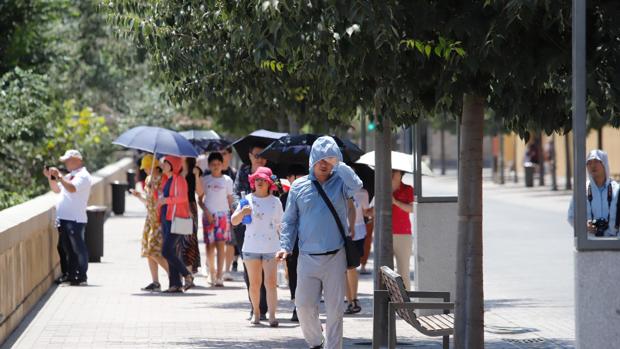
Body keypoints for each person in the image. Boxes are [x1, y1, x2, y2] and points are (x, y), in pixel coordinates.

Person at [277, 136, 363, 349]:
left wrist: (339, 164)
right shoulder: (298, 187)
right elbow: (289, 221)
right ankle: (316, 343)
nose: (325, 163)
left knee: (335, 311)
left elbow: (357, 184)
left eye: (330, 158)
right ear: (312, 160)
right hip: (307, 258)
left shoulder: (342, 183)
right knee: (304, 306)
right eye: (321, 158)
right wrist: (285, 246)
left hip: (336, 256)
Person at [232, 166, 283, 327]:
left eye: (263, 180)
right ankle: (256, 312)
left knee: (271, 282)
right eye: (257, 180)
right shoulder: (246, 199)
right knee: (254, 284)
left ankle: (272, 316)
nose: (260, 182)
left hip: (271, 247)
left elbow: (281, 226)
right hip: (251, 247)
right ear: (253, 182)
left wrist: (284, 247)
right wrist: (241, 213)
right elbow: (234, 221)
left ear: (269, 183)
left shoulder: (276, 202)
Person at [43, 149, 93, 286]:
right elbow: (57, 190)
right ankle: (69, 275)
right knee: (64, 248)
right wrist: (51, 177)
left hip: (75, 219)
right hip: (64, 218)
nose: (66, 163)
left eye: (68, 160)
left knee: (77, 248)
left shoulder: (83, 176)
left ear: (78, 160)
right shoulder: (71, 175)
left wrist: (60, 177)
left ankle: (81, 276)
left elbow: (72, 189)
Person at [233, 143, 269, 319]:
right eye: (257, 155)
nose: (260, 159)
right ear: (249, 155)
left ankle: (265, 306)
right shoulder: (243, 171)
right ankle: (255, 307)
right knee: (249, 268)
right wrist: (239, 210)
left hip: (266, 228)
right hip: (245, 226)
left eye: (263, 156)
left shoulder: (271, 174)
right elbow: (235, 194)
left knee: (265, 268)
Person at [368, 170, 414, 290]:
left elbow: (412, 209)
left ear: (401, 174)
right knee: (383, 272)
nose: (392, 173)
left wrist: (395, 202)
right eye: (391, 171)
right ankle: (386, 302)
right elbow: (372, 212)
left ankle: (405, 304)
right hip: (383, 234)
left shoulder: (408, 189)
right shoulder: (381, 189)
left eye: (395, 171)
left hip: (403, 234)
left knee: (403, 271)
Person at [130, 155, 169, 292]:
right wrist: (139, 196)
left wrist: (154, 189)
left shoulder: (163, 178)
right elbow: (148, 202)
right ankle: (155, 282)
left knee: (153, 251)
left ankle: (172, 275)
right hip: (150, 219)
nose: (146, 171)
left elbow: (161, 197)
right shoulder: (148, 179)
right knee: (148, 251)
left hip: (159, 219)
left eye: (147, 168)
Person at [198, 152, 234, 286]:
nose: (216, 167)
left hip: (223, 215)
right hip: (209, 215)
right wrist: (206, 211)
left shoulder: (227, 180)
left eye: (218, 164)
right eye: (213, 164)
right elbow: (200, 200)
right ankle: (211, 273)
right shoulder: (205, 180)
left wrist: (234, 215)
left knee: (221, 245)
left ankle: (220, 275)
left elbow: (230, 199)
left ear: (222, 165)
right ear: (209, 165)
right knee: (209, 246)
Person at [159, 156, 194, 293]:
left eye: (166, 163)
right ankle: (175, 284)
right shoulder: (168, 179)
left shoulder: (179, 179)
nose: (163, 165)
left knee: (166, 251)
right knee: (171, 252)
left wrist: (165, 200)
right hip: (167, 218)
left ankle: (187, 274)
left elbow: (183, 198)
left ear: (173, 165)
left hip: (176, 219)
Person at [279, 164, 308, 322]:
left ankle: (308, 307)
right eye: (294, 176)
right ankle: (297, 306)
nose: (297, 180)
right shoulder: (283, 198)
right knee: (294, 275)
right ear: (289, 179)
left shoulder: (312, 195)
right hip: (293, 245)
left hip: (310, 243)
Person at [568, 149, 619, 237]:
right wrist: (584, 225)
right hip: (589, 244)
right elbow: (571, 216)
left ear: (604, 164)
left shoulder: (617, 189)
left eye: (596, 161)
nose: (592, 165)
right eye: (589, 163)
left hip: (614, 242)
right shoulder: (581, 190)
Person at [345, 186, 370, 314]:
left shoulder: (362, 193)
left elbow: (366, 212)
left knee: (351, 267)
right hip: (339, 231)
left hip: (357, 232)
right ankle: (349, 300)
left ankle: (353, 299)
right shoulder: (335, 190)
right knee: (342, 269)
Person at [219, 146, 239, 277]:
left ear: (230, 155)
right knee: (218, 242)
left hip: (230, 211)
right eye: (219, 153)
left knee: (230, 241)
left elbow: (236, 193)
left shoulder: (234, 173)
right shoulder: (213, 172)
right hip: (217, 211)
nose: (221, 155)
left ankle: (227, 270)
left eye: (224, 153)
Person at [181, 157, 202, 275]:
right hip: (177, 206)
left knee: (189, 239)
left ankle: (188, 274)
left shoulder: (195, 170)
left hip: (189, 207)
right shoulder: (175, 169)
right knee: (178, 239)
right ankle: (181, 273)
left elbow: (200, 193)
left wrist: (196, 176)